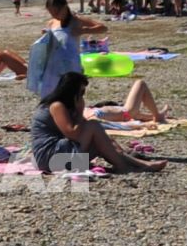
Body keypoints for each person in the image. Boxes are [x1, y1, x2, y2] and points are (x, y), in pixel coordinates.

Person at [31, 72, 166, 175]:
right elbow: (72, 133)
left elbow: (82, 129)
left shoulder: (66, 106)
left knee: (106, 142)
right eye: (81, 92)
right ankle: (124, 167)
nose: (82, 96)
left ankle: (139, 164)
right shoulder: (57, 106)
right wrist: (79, 111)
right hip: (49, 158)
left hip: (59, 157)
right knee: (94, 125)